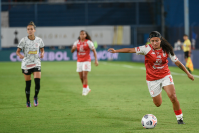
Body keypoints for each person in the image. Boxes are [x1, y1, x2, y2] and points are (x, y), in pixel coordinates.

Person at [108, 31, 194, 124]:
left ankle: (179, 118)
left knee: (173, 97)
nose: (154, 43)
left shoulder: (167, 49)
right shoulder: (146, 48)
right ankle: (159, 91)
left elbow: (177, 62)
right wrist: (116, 51)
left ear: (160, 40)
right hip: (152, 79)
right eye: (152, 41)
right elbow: (130, 50)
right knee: (158, 104)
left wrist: (187, 73)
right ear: (150, 41)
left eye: (156, 41)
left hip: (165, 75)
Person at [16, 21, 45, 107]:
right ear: (27, 31)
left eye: (31, 29)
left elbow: (42, 49)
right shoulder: (23, 40)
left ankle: (35, 97)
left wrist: (42, 53)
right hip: (26, 64)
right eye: (28, 29)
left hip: (36, 63)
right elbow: (17, 51)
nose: (30, 30)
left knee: (37, 83)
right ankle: (28, 101)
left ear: (34, 30)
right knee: (28, 84)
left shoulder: (39, 40)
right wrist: (20, 55)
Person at [71, 30, 98, 96]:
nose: (82, 35)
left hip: (86, 60)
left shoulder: (89, 42)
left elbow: (94, 51)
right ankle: (87, 88)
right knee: (81, 77)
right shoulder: (76, 42)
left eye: (83, 34)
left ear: (86, 35)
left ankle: (84, 90)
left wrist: (96, 60)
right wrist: (73, 48)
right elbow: (72, 51)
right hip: (79, 61)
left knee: (84, 75)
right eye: (81, 34)